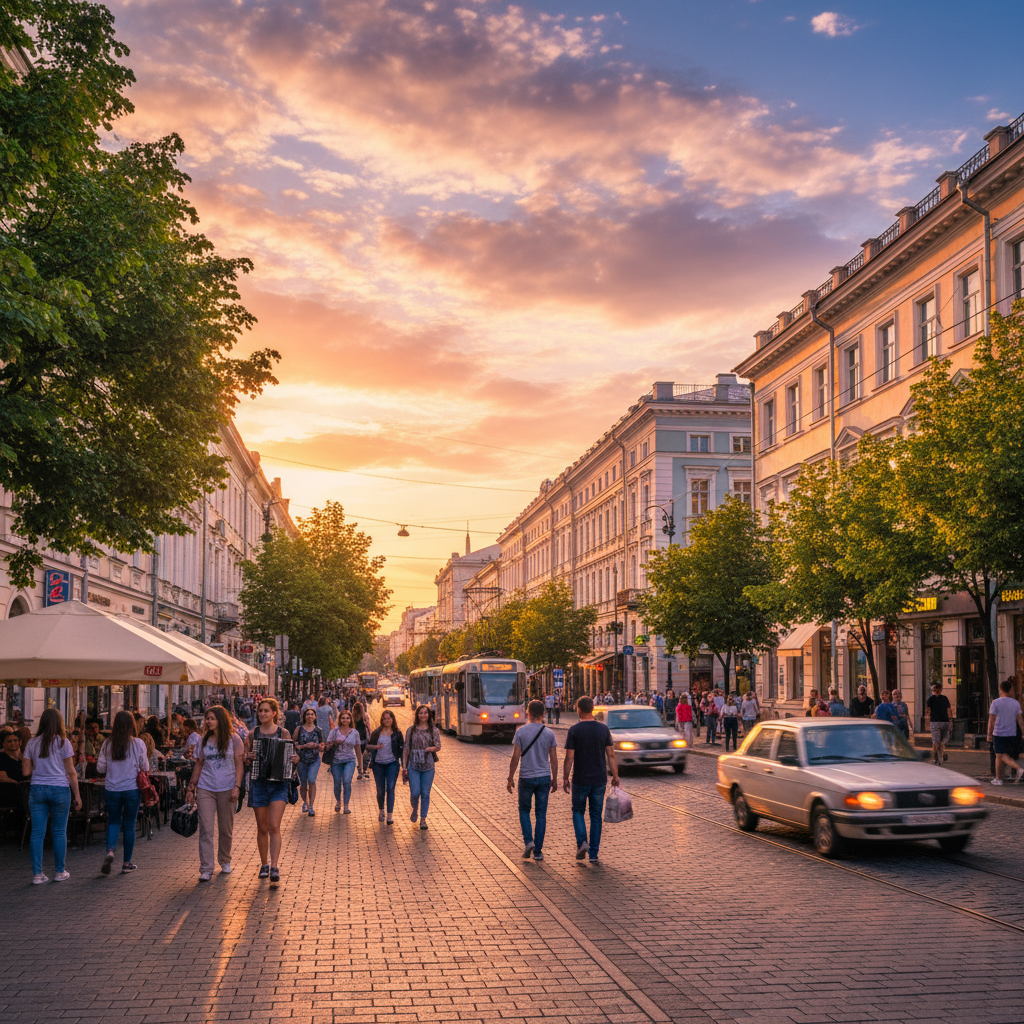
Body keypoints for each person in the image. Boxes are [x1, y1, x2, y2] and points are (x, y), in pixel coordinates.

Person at [22, 708, 81, 884]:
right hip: (60, 789)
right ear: (59, 723)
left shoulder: (32, 743)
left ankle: (37, 874)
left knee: (37, 833)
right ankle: (59, 871)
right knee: (58, 832)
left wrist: (39, 765)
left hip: (38, 789)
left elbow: (26, 771)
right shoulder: (64, 743)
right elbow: (71, 772)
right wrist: (77, 795)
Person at [186, 706, 244, 881]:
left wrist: (237, 787)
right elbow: (199, 764)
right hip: (206, 787)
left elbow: (239, 764)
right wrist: (191, 787)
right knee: (206, 829)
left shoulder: (234, 740)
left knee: (226, 829)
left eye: (212, 718)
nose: (208, 721)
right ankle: (206, 868)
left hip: (227, 788)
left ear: (221, 719)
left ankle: (225, 860)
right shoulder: (203, 740)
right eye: (207, 718)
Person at [246, 698, 300, 882]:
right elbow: (245, 760)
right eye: (260, 711)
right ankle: (264, 864)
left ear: (274, 713)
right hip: (259, 783)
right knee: (262, 827)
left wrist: (295, 760)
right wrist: (249, 756)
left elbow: (292, 758)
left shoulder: (283, 733)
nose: (262, 714)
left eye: (266, 711)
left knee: (274, 826)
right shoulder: (252, 734)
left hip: (279, 783)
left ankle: (275, 866)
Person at [563, 696, 618, 864]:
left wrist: (565, 777)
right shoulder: (603, 729)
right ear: (592, 709)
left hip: (580, 778)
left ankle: (582, 843)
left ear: (578, 710)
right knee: (596, 816)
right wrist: (615, 775)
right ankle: (593, 853)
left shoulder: (574, 730)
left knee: (578, 811)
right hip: (599, 779)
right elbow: (611, 754)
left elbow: (569, 757)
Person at [96, 710, 149, 875]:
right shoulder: (138, 743)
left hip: (112, 789)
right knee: (129, 825)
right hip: (132, 789)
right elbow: (145, 767)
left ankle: (110, 851)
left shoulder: (107, 744)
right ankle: (127, 863)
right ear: (132, 725)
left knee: (113, 822)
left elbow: (100, 768)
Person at [507, 700, 558, 861]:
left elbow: (515, 757)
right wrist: (555, 779)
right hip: (544, 777)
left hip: (526, 777)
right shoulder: (549, 733)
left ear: (528, 713)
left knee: (524, 810)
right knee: (541, 814)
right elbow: (554, 759)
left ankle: (528, 841)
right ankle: (538, 851)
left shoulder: (521, 732)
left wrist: (510, 778)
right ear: (543, 714)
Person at [403, 705, 441, 830]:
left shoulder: (433, 730)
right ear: (417, 715)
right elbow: (406, 748)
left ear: (429, 715)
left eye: (425, 713)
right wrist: (404, 766)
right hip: (413, 764)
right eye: (421, 713)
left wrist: (429, 749)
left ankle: (423, 819)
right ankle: (415, 808)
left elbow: (438, 746)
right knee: (415, 792)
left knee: (425, 793)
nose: (423, 715)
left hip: (428, 765)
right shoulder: (411, 730)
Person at [366, 709, 404, 824]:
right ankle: (381, 810)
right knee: (380, 790)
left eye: (389, 718)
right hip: (378, 764)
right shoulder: (377, 733)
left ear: (392, 719)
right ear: (382, 720)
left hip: (392, 763)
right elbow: (368, 746)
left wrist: (404, 766)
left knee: (390, 788)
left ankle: (389, 815)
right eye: (385, 718)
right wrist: (376, 747)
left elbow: (402, 750)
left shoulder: (397, 733)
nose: (387, 720)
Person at [987, 680, 1024, 785]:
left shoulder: (996, 702)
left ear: (1000, 689)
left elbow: (992, 720)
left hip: (999, 732)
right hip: (1011, 733)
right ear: (1011, 689)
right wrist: (1023, 732)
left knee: (1001, 755)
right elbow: (1020, 719)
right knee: (1002, 755)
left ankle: (1016, 769)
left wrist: (989, 734)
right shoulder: (1015, 703)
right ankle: (1000, 776)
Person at [327, 709, 361, 814]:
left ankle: (346, 805)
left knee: (347, 781)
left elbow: (358, 749)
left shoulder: (355, 732)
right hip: (336, 761)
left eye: (347, 718)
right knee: (337, 783)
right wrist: (333, 742)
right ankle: (338, 801)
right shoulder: (334, 731)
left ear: (350, 719)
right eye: (343, 718)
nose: (345, 720)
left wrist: (361, 765)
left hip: (350, 760)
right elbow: (327, 746)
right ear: (340, 719)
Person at [292, 707, 324, 817]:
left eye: (312, 714)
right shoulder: (299, 729)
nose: (310, 716)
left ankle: (311, 805)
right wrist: (298, 747)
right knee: (303, 784)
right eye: (308, 714)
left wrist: (319, 746)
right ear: (304, 716)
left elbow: (322, 744)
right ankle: (305, 802)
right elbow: (293, 742)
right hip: (302, 760)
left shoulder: (318, 730)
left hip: (314, 759)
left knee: (312, 780)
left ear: (315, 717)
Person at [927, 681, 951, 765]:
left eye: (938, 689)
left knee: (940, 742)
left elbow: (949, 710)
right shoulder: (931, 699)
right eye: (935, 689)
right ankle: (937, 758)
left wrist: (950, 720)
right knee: (937, 742)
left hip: (943, 722)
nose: (936, 690)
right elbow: (928, 711)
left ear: (940, 690)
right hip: (936, 722)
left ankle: (939, 756)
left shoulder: (943, 698)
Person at [0, 730, 25, 807]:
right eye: (9, 741)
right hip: (8, 796)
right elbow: (2, 778)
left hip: (24, 796)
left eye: (15, 740)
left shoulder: (23, 758)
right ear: (3, 743)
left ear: (20, 742)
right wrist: (19, 785)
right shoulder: (1, 757)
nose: (13, 743)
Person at [351, 702, 370, 780]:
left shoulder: (353, 717)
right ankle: (363, 770)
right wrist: (371, 735)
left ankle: (360, 771)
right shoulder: (365, 716)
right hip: (363, 737)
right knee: (364, 754)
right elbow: (368, 726)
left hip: (355, 738)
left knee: (359, 755)